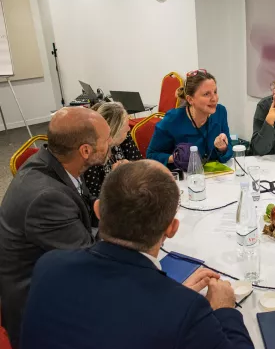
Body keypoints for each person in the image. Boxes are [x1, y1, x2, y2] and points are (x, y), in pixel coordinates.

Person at [20, 160, 254, 349]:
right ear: (172, 229)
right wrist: (225, 309)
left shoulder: (49, 265)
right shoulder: (185, 312)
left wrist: (176, 296)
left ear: (99, 210)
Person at [0, 107, 111, 348]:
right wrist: (121, 220)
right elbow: (92, 263)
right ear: (85, 150)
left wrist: (104, 205)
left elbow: (85, 202)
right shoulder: (47, 198)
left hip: (53, 274)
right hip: (38, 312)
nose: (110, 143)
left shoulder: (58, 161)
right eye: (106, 139)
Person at [147, 69, 233, 166]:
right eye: (206, 94)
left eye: (215, 92)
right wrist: (175, 157)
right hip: (183, 178)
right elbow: (151, 155)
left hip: (213, 178)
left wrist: (223, 148)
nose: (214, 98)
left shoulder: (220, 112)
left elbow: (228, 152)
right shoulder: (172, 120)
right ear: (190, 99)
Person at [84, 102, 142, 197]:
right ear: (114, 131)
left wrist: (131, 168)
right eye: (125, 126)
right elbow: (95, 198)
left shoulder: (125, 138)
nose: (128, 129)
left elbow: (140, 167)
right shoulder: (92, 155)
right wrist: (115, 178)